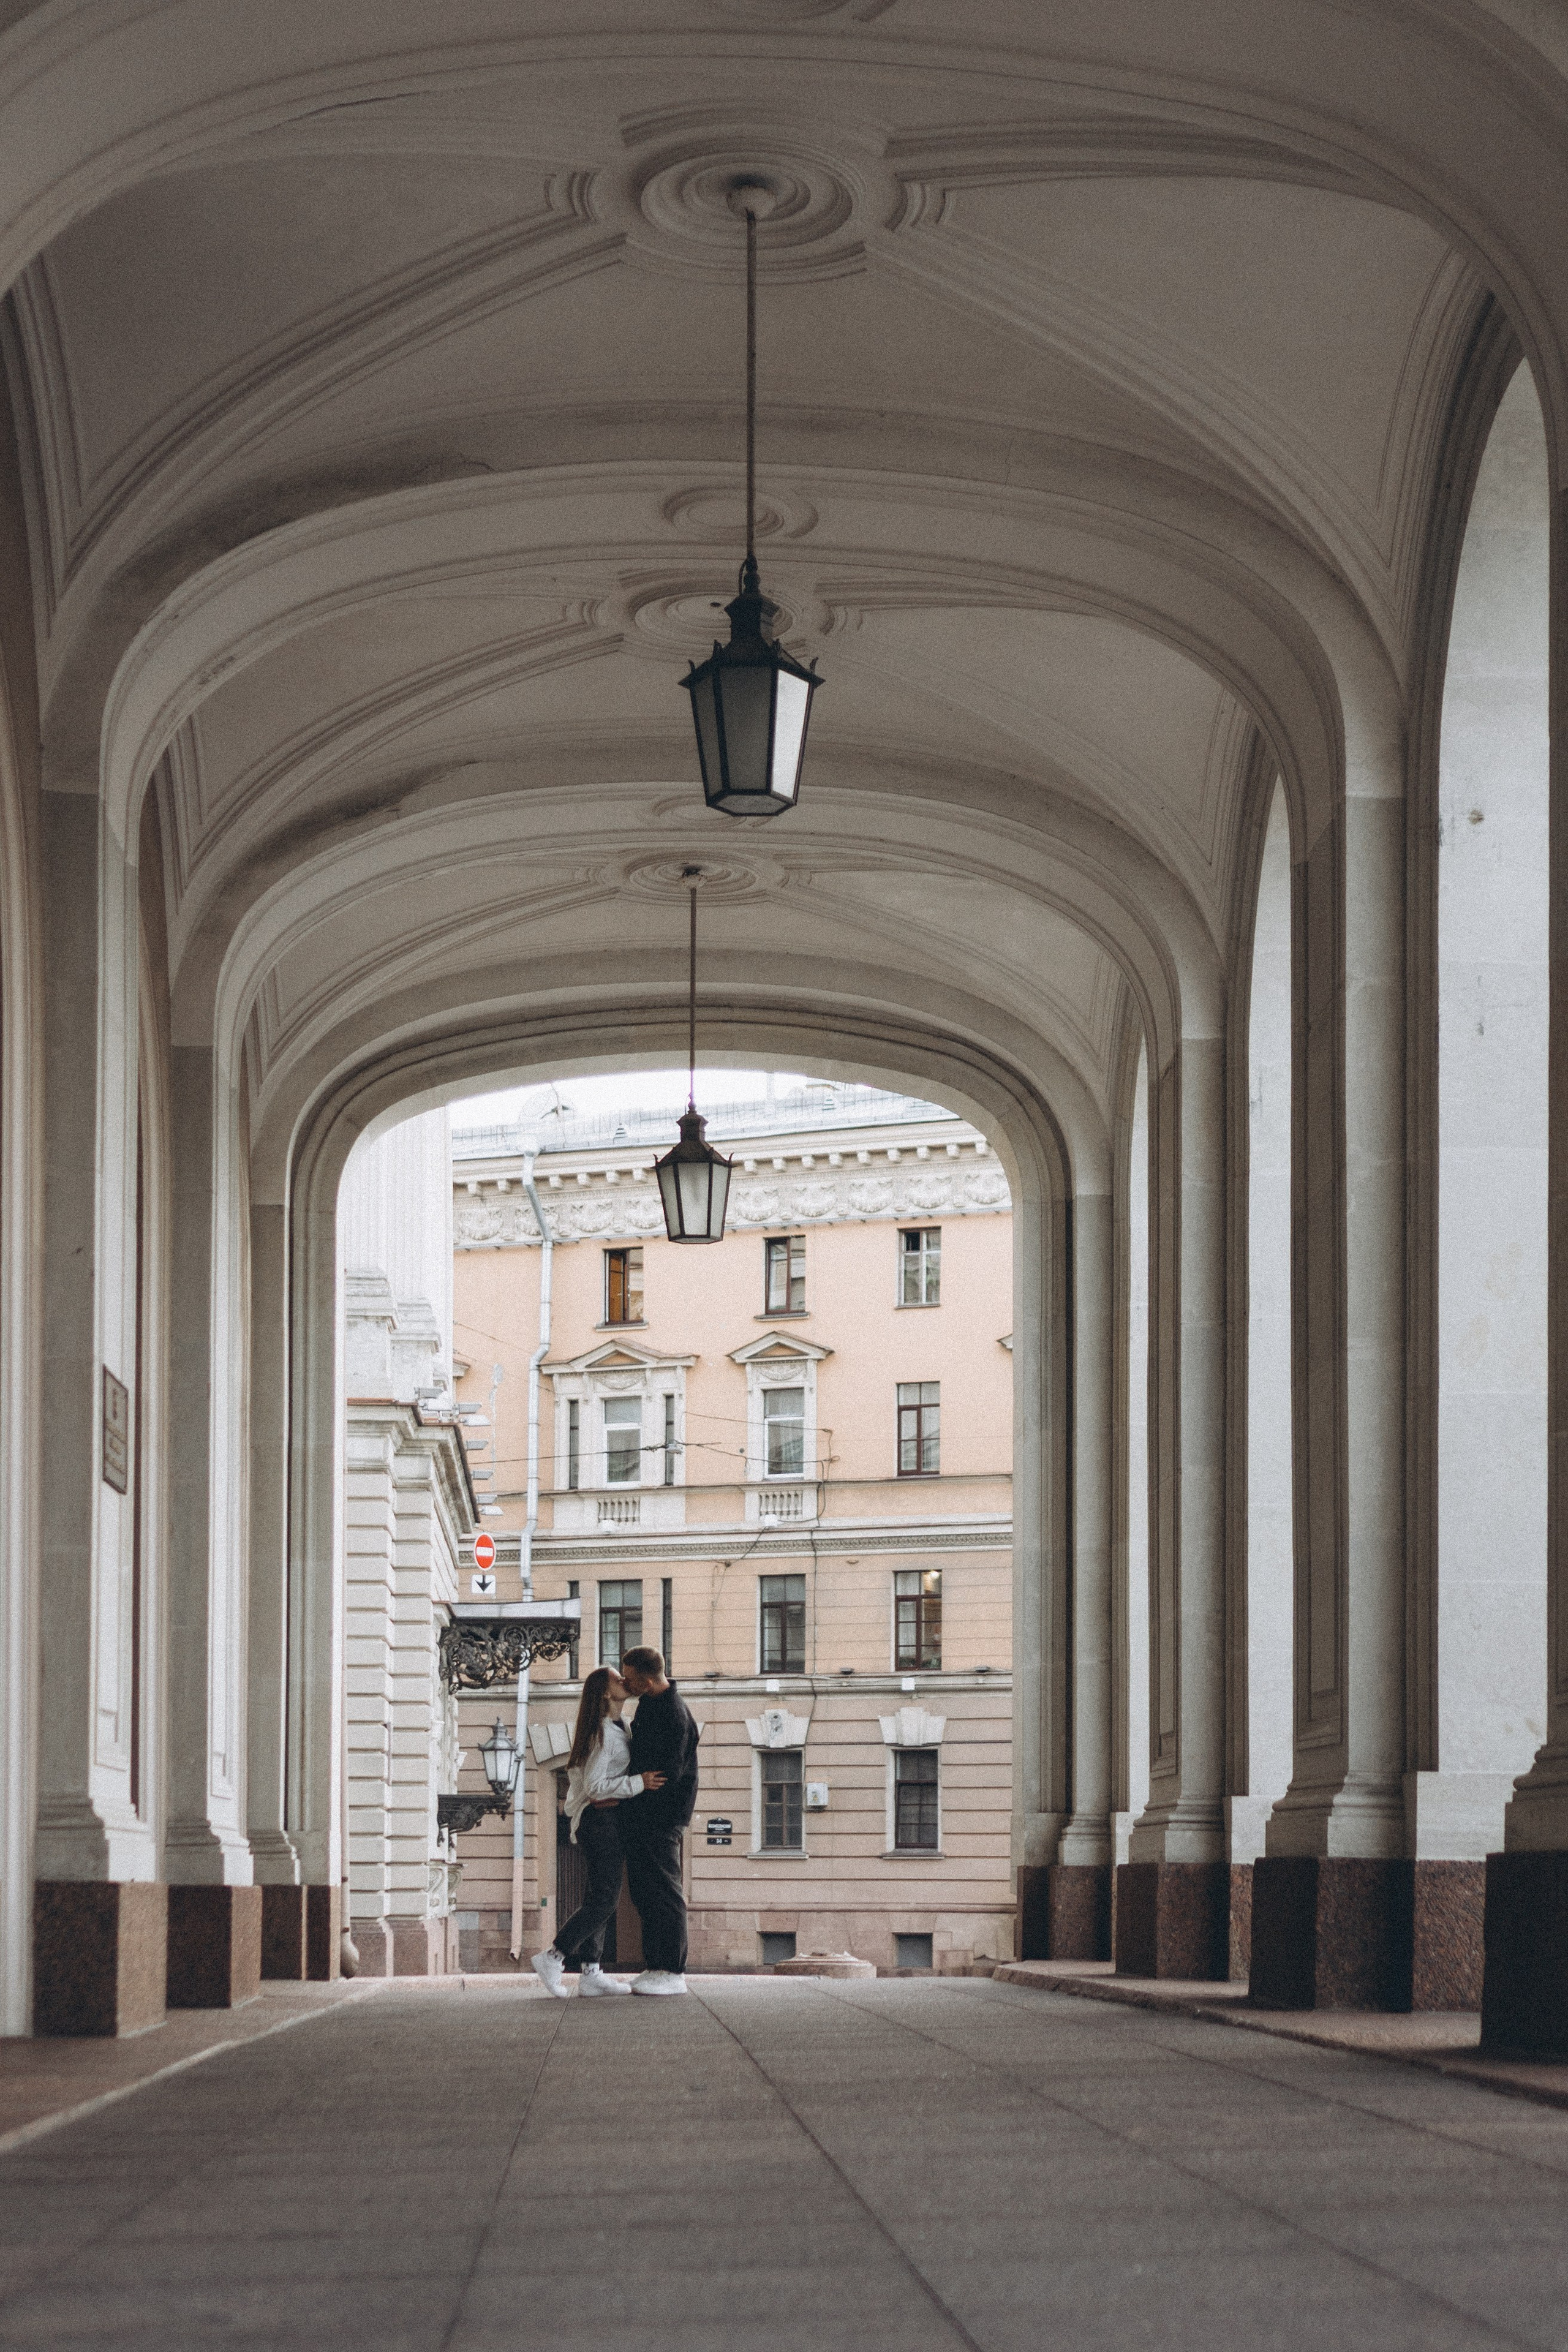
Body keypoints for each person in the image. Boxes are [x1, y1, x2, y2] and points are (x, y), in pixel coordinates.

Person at [531, 1665, 665, 1999]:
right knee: (605, 1899)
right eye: (618, 1679)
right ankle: (554, 1957)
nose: (624, 1681)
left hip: (607, 1821)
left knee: (598, 1897)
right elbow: (594, 1787)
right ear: (605, 1693)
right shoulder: (602, 1733)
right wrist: (640, 1783)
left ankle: (591, 1973)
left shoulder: (618, 1727)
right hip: (599, 1820)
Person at [618, 1644, 701, 1995]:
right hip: (644, 1815)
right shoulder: (650, 1703)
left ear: (649, 1681)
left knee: (665, 1892)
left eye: (631, 1679)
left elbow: (670, 1771)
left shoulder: (672, 1712)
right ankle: (655, 1965)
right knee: (645, 1893)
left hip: (661, 1818)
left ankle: (672, 1971)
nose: (626, 1684)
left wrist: (639, 1784)